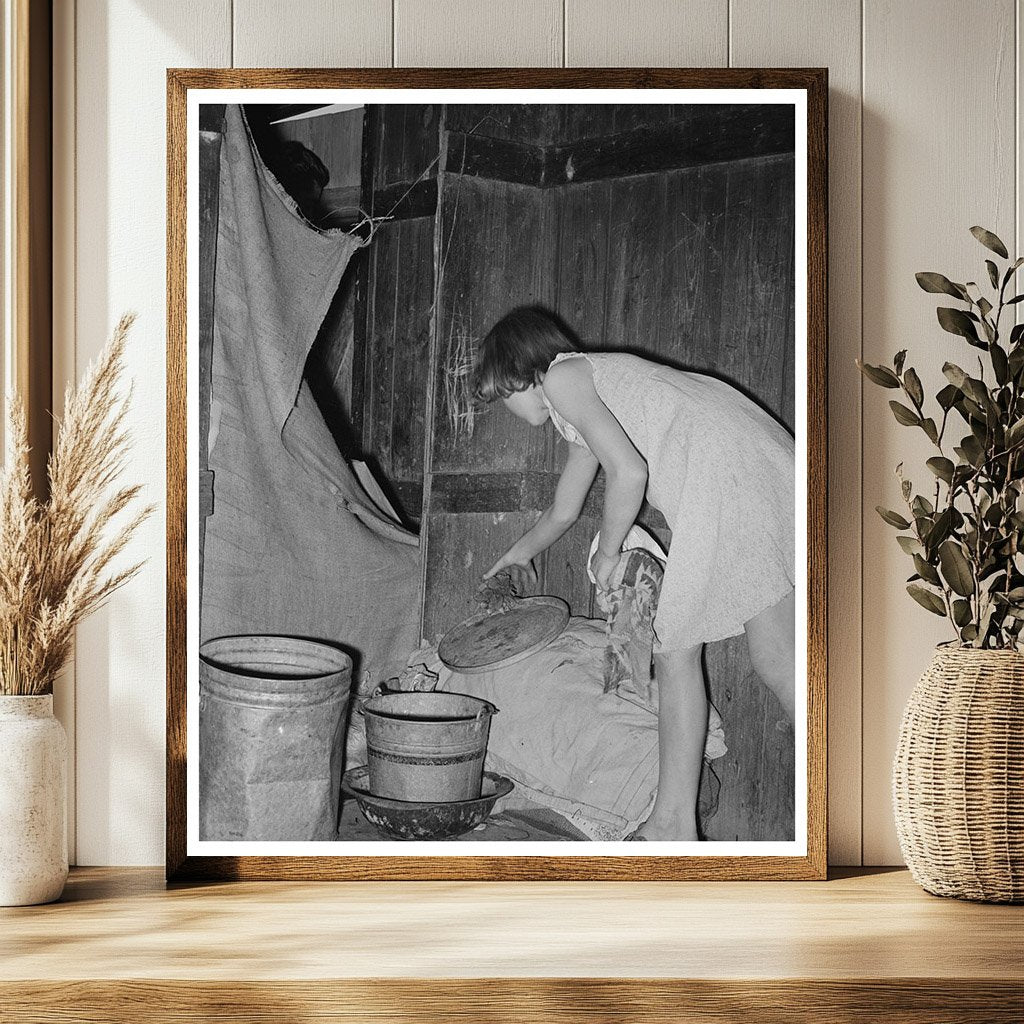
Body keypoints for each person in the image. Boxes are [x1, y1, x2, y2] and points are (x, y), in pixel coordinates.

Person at [473, 306, 796, 842]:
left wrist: (610, 552)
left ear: (520, 371)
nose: (506, 406)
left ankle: (671, 825)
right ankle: (831, 773)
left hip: (724, 473)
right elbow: (563, 510)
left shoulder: (563, 376)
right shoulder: (582, 402)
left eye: (501, 393)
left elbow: (630, 471)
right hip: (757, 462)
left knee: (673, 651)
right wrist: (517, 554)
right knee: (777, 655)